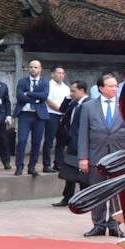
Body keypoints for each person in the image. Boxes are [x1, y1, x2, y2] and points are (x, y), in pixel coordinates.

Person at [75, 73, 125, 238]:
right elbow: (83, 133)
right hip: (95, 155)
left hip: (119, 156)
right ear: (101, 88)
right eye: (111, 86)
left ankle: (115, 225)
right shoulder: (88, 107)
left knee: (118, 193)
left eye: (116, 86)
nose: (115, 89)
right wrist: (83, 157)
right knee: (97, 192)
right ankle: (98, 225)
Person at [55, 79, 90, 207]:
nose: (71, 93)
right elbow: (62, 109)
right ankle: (67, 197)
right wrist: (67, 97)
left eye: (73, 91)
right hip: (71, 141)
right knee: (69, 170)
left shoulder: (88, 104)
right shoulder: (74, 104)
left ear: (82, 91)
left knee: (82, 173)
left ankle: (84, 198)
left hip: (81, 143)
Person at [16, 60, 52, 177]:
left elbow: (44, 96)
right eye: (31, 67)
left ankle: (32, 166)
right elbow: (20, 97)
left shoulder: (44, 82)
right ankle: (19, 166)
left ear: (40, 69)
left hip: (39, 116)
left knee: (36, 142)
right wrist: (36, 98)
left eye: (35, 67)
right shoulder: (22, 81)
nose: (33, 69)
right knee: (21, 141)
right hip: (25, 115)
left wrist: (29, 93)